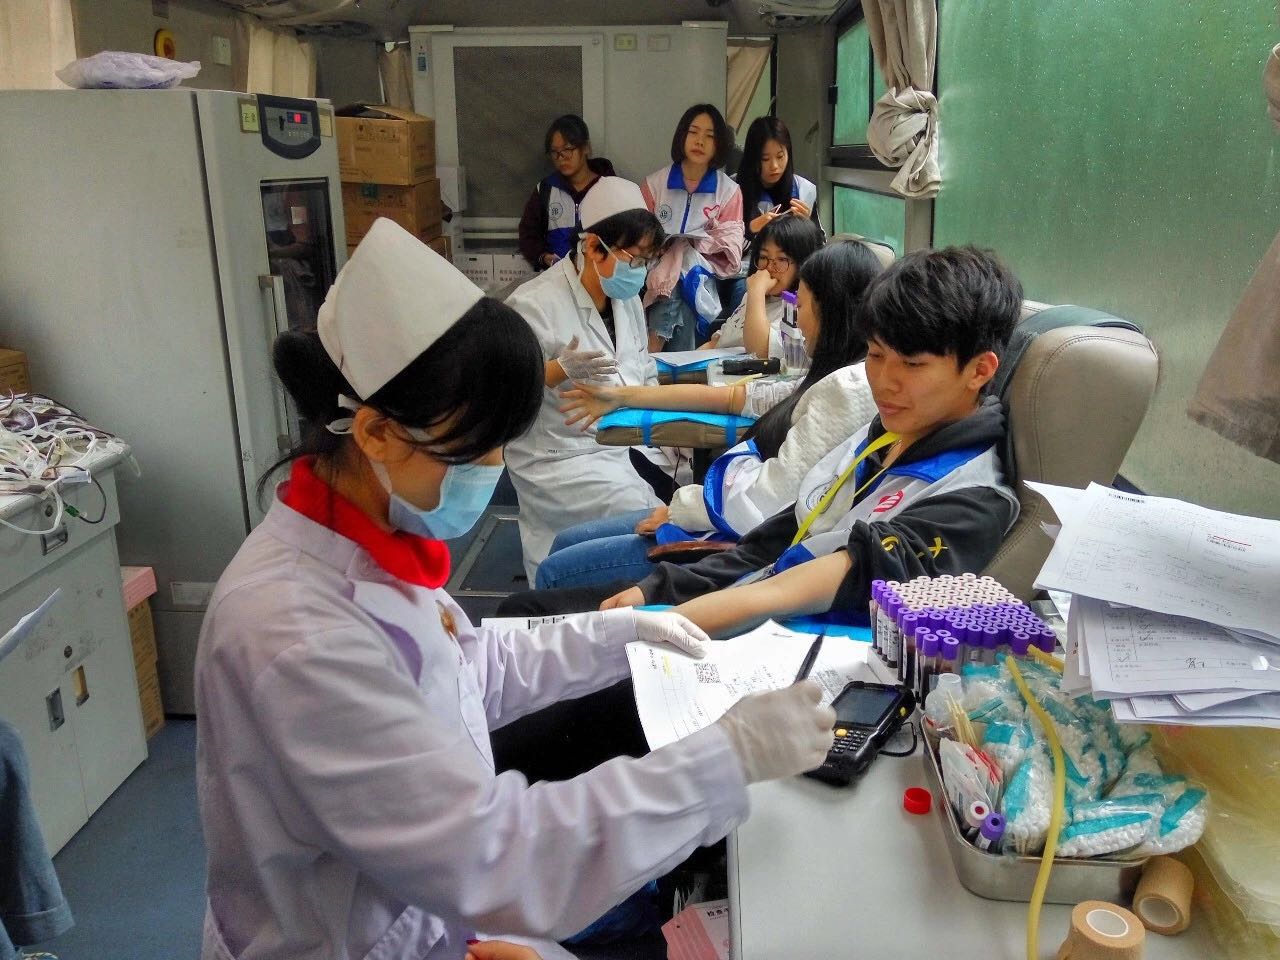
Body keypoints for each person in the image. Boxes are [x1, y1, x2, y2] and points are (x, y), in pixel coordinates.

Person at [194, 217, 836, 960]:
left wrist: (619, 636)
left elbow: (465, 668)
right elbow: (495, 854)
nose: (494, 464)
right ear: (374, 433)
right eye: (474, 447)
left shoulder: (368, 547)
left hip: (422, 909)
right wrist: (726, 757)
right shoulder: (297, 635)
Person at [500, 245, 1024, 629]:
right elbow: (779, 535)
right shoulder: (885, 435)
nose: (884, 381)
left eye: (911, 364)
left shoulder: (968, 499)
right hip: (740, 592)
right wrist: (658, 589)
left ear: (979, 370)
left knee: (531, 613)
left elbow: (802, 579)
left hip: (775, 640)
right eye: (876, 355)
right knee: (524, 612)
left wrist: (662, 619)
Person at [535, 240, 884, 590]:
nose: (798, 322)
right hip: (722, 517)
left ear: (831, 312)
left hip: (737, 546)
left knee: (554, 571)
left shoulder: (846, 389)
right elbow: (731, 398)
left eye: (803, 307)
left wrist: (681, 510)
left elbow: (770, 496)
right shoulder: (824, 378)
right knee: (565, 542)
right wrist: (619, 397)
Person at [505, 177, 673, 583]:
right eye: (635, 259)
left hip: (625, 443)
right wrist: (555, 370)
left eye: (648, 261)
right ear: (594, 247)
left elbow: (644, 371)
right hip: (562, 457)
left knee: (686, 502)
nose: (641, 272)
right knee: (647, 521)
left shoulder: (626, 300)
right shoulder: (532, 305)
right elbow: (502, 395)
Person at [641, 104, 744, 352]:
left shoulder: (729, 192)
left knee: (683, 277)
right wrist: (663, 250)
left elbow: (731, 247)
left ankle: (652, 352)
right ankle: (681, 365)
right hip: (651, 270)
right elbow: (637, 235)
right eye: (694, 132)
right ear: (682, 136)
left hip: (704, 275)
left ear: (719, 144)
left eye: (709, 136)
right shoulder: (655, 184)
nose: (700, 141)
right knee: (680, 283)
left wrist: (692, 247)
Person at [720, 116, 822, 316]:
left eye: (780, 156)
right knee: (744, 293)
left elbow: (819, 248)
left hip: (792, 272)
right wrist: (751, 231)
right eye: (765, 159)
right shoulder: (732, 189)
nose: (774, 166)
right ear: (753, 158)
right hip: (746, 271)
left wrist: (807, 227)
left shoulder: (804, 190)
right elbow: (721, 252)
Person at [704, 214, 823, 358]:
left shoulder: (795, 308)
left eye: (781, 259)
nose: (769, 267)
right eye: (763, 257)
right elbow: (717, 342)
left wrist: (757, 292)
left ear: (802, 264)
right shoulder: (753, 295)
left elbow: (760, 351)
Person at [517, 115, 617, 272]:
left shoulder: (610, 188)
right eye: (555, 152)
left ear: (586, 148)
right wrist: (542, 257)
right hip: (557, 277)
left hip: (600, 277)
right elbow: (528, 234)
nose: (561, 158)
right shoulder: (545, 190)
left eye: (567, 150)